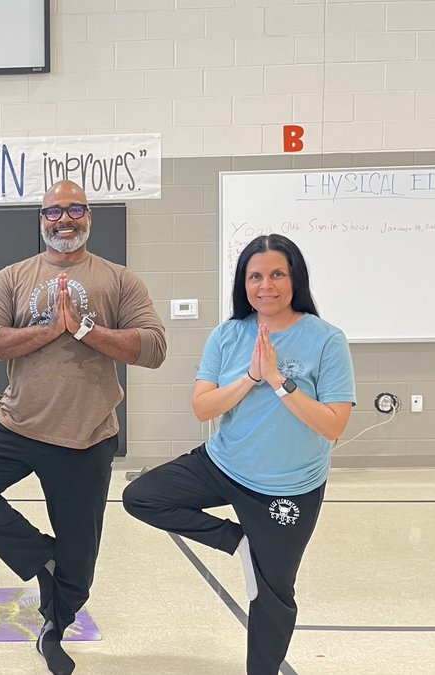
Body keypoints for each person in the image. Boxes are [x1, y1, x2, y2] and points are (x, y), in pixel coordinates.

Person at [0, 180, 167, 675]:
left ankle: (54, 627)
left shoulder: (119, 280)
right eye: (54, 211)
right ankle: (44, 557)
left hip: (87, 436)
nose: (65, 219)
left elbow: (153, 349)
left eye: (75, 209)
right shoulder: (13, 278)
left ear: (89, 216)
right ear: (41, 219)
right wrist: (47, 331)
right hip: (16, 422)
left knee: (79, 571)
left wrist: (85, 329)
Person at [122, 234, 354, 675]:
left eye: (277, 274)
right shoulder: (228, 335)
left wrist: (280, 381)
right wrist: (252, 376)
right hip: (223, 465)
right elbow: (202, 407)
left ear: (295, 279)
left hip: (290, 486)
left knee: (274, 595)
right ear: (243, 283)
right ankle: (239, 542)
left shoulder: (326, 340)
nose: (266, 285)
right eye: (255, 276)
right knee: (142, 497)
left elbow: (334, 425)